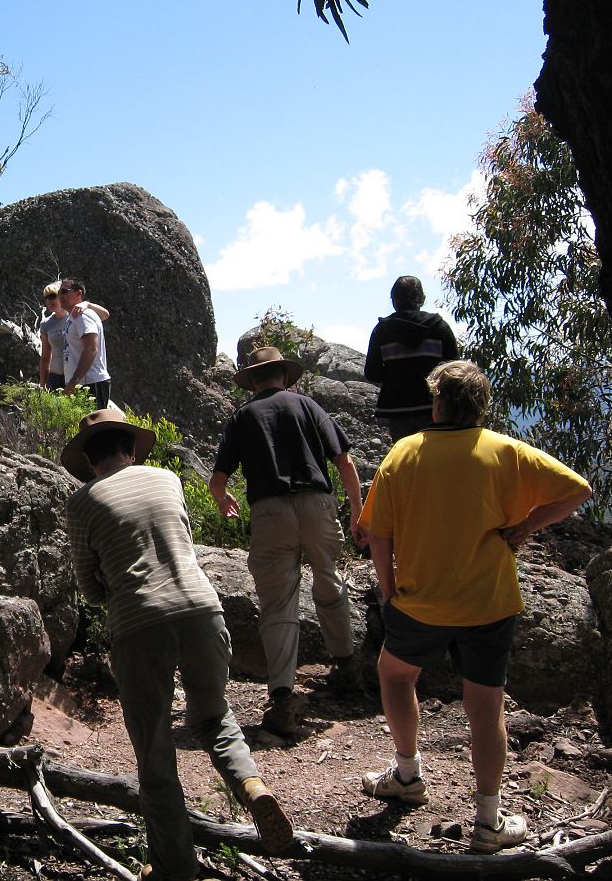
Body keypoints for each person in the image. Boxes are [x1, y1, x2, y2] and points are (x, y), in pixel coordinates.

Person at [357, 360, 590, 853]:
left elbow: (378, 532)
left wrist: (388, 590)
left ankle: (407, 774)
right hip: (489, 603)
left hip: (420, 603)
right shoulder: (504, 451)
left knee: (396, 676)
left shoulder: (404, 453)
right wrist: (524, 527)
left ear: (437, 403)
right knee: (486, 708)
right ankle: (488, 820)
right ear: (482, 405)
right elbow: (577, 490)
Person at [63, 408, 294, 877]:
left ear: (90, 461)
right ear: (130, 449)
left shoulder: (83, 501)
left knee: (154, 750)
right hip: (202, 607)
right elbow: (182, 542)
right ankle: (251, 785)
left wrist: (115, 583)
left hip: (137, 623)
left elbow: (88, 588)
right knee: (213, 716)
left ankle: (175, 869)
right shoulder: (167, 479)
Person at [208, 347, 366, 736]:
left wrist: (223, 499)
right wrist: (359, 512)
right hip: (317, 504)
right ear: (283, 375)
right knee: (329, 579)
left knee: (278, 603)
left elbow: (218, 481)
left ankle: (281, 696)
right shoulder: (309, 406)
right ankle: (346, 666)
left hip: (270, 511)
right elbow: (344, 462)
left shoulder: (243, 416)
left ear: (254, 380)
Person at [364, 275, 459, 441]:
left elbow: (372, 373)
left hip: (398, 411)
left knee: (407, 459)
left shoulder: (382, 331)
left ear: (394, 300)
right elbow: (455, 369)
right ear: (421, 299)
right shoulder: (439, 327)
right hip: (434, 408)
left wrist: (396, 375)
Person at [38, 281, 109, 391]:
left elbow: (104, 315)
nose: (48, 301)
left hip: (78, 376)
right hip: (56, 376)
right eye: (46, 298)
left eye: (52, 296)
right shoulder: (46, 324)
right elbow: (45, 357)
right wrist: (43, 384)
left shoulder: (75, 314)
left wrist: (87, 304)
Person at [56, 278, 111, 407]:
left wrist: (73, 381)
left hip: (90, 383)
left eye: (64, 291)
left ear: (78, 293)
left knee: (95, 426)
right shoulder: (74, 316)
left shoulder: (83, 315)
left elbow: (91, 348)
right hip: (82, 384)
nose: (60, 296)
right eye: (59, 292)